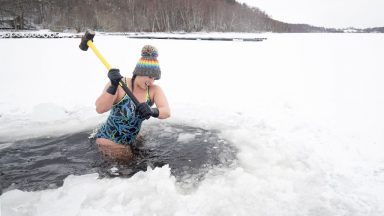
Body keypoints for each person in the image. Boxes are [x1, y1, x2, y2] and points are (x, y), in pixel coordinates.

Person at [94, 45, 170, 161]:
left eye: (154, 78)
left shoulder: (154, 90)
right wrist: (112, 86)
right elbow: (100, 108)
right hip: (109, 141)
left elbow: (166, 111)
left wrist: (152, 111)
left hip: (130, 139)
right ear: (139, 72)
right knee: (131, 168)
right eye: (149, 76)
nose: (151, 81)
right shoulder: (120, 84)